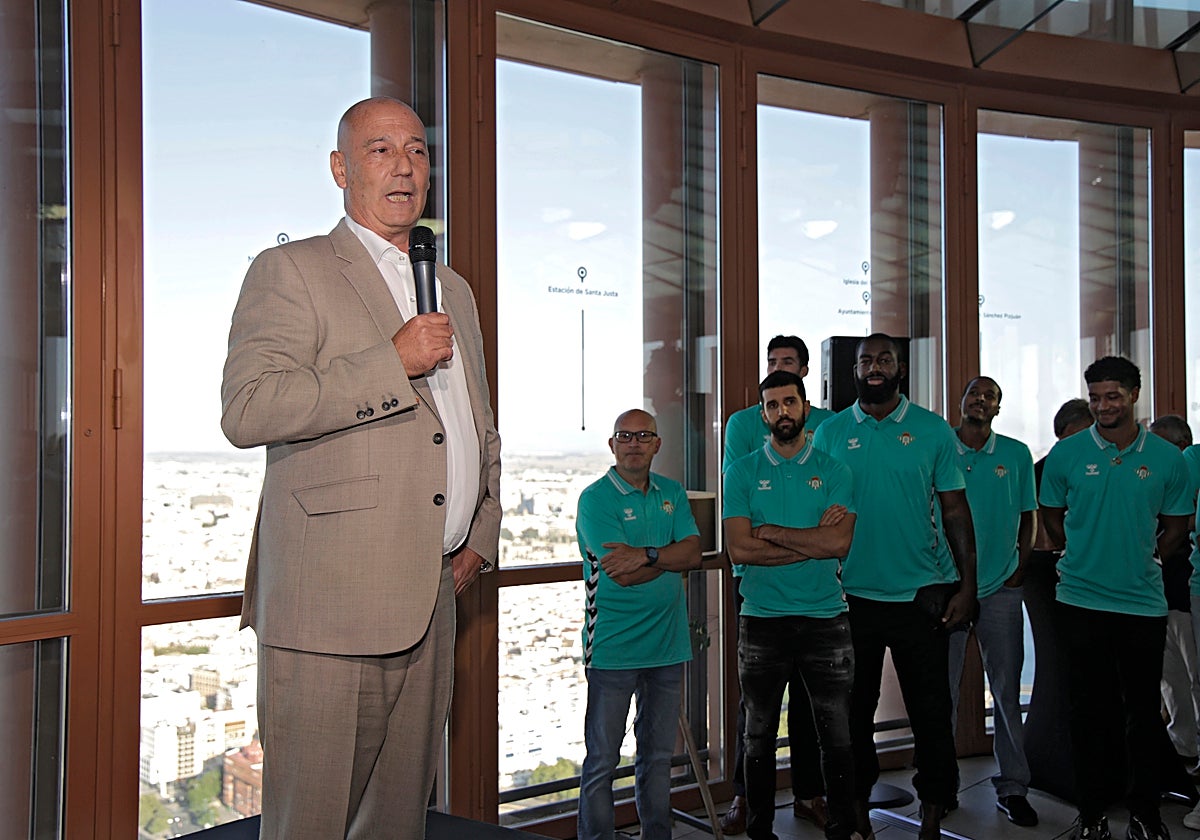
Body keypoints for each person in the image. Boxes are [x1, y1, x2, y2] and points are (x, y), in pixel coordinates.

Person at [220, 97, 501, 840]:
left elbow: (476, 426)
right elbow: (248, 409)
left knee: (398, 822)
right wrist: (392, 361)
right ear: (341, 169)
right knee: (310, 822)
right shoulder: (292, 270)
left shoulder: (455, 287)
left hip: (435, 595)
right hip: (329, 607)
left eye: (417, 149)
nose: (405, 164)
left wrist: (482, 530)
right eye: (380, 150)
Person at [812, 332, 977, 840]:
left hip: (920, 596)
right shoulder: (832, 433)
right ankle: (855, 812)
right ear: (854, 371)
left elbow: (954, 510)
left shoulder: (931, 431)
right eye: (866, 361)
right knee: (851, 717)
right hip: (851, 599)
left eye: (885, 359)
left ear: (900, 369)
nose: (875, 367)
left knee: (931, 715)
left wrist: (968, 586)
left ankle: (932, 812)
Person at [1040, 357, 1192, 840]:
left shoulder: (1168, 459)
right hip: (1079, 601)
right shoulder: (1065, 455)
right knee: (1088, 715)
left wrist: (1140, 557)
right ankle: (1091, 815)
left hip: (1143, 604)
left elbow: (1175, 530)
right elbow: (1052, 516)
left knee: (1142, 715)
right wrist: (1086, 553)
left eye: (1112, 396)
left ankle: (1144, 814)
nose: (1103, 406)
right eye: (1095, 397)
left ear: (1133, 396)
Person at [723, 370, 858, 840]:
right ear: (764, 415)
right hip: (762, 620)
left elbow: (839, 544)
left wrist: (773, 532)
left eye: (790, 402)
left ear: (805, 407)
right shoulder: (740, 473)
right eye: (773, 405)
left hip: (826, 618)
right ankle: (761, 830)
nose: (783, 411)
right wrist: (811, 541)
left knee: (837, 736)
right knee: (757, 737)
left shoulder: (836, 470)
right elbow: (739, 550)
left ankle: (843, 826)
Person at [576, 409, 702, 840]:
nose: (633, 442)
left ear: (656, 445)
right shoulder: (596, 499)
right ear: (612, 445)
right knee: (602, 763)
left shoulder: (672, 492)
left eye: (643, 435)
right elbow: (620, 573)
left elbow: (692, 555)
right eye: (624, 435)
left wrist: (649, 555)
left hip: (669, 646)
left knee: (658, 758)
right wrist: (668, 556)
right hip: (613, 648)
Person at [945, 377, 1039, 827]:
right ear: (960, 402)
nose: (981, 401)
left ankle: (1014, 786)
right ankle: (940, 786)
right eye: (974, 394)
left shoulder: (1016, 454)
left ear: (998, 409)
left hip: (1002, 589)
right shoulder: (940, 448)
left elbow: (1029, 519)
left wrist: (1018, 570)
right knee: (938, 693)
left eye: (990, 397)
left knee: (1005, 692)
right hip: (947, 588)